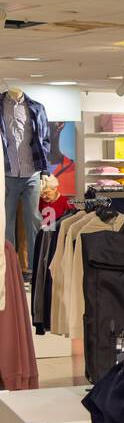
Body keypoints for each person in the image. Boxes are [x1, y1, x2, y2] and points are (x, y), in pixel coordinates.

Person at [2, 89, 51, 280]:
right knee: (6, 223)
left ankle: (36, 269)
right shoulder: (1, 105)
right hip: (7, 173)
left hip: (32, 172)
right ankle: (8, 271)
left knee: (34, 221)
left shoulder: (36, 108)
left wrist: (45, 171)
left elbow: (45, 140)